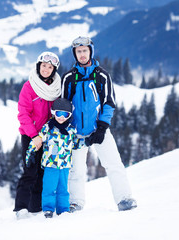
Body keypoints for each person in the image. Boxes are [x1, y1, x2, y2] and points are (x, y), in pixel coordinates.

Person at [61, 36, 137, 212]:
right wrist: (67, 128)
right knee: (76, 170)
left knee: (113, 164)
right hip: (77, 133)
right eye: (78, 52)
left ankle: (124, 198)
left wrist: (102, 127)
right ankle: (76, 202)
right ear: (75, 54)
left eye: (84, 51)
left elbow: (109, 103)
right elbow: (63, 105)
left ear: (90, 52)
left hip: (99, 129)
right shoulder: (69, 78)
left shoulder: (101, 75)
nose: (81, 54)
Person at [14, 51, 61, 219]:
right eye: (44, 66)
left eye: (50, 67)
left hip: (48, 137)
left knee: (43, 172)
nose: (46, 69)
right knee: (30, 171)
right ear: (38, 66)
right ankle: (21, 208)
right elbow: (23, 114)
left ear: (54, 70)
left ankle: (35, 208)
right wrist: (34, 136)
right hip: (31, 136)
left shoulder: (56, 88)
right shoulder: (29, 86)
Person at [25, 98, 85, 218]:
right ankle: (48, 209)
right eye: (59, 113)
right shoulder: (48, 128)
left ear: (69, 115)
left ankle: (63, 209)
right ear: (53, 112)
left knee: (63, 189)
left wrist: (85, 141)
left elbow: (77, 143)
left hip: (64, 165)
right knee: (49, 187)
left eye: (65, 114)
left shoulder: (71, 130)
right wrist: (30, 153)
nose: (61, 117)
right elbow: (38, 140)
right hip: (50, 164)